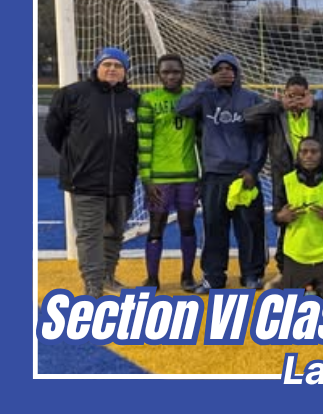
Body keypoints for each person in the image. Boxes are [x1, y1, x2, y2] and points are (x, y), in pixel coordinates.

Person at [45, 47, 139, 298]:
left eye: (118, 66)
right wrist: (75, 158)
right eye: (107, 64)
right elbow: (54, 131)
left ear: (125, 71)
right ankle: (93, 286)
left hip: (121, 180)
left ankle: (107, 276)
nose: (112, 69)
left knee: (115, 233)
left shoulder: (133, 99)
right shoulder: (73, 95)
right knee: (90, 236)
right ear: (96, 67)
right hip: (85, 180)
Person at [244, 72, 323, 289]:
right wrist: (277, 105)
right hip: (285, 177)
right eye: (292, 96)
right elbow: (248, 117)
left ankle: (321, 265)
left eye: (301, 96)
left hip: (316, 174)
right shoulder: (276, 115)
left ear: (308, 94)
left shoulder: (317, 113)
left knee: (318, 218)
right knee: (286, 221)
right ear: (284, 95)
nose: (296, 101)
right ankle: (285, 270)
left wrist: (315, 104)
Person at [176, 53, 267, 293]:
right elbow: (181, 108)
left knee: (249, 228)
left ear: (237, 72)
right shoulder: (204, 96)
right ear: (212, 72)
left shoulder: (251, 98)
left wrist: (253, 169)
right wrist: (208, 84)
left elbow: (260, 138)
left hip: (243, 176)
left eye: (229, 68)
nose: (225, 72)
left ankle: (251, 274)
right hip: (214, 175)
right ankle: (213, 277)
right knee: (214, 228)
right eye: (220, 69)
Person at [136, 53, 200, 292]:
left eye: (176, 71)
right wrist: (146, 179)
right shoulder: (148, 100)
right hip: (159, 178)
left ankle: (187, 275)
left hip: (188, 175)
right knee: (156, 228)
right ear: (158, 75)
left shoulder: (193, 99)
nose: (171, 76)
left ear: (183, 73)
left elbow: (202, 139)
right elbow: (144, 142)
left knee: (188, 226)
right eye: (166, 72)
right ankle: (152, 278)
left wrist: (202, 175)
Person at [273, 137, 323, 297]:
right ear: (298, 156)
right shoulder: (286, 181)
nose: (309, 156)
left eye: (314, 152)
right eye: (304, 152)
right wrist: (282, 216)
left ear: (322, 155)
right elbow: (275, 217)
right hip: (296, 255)